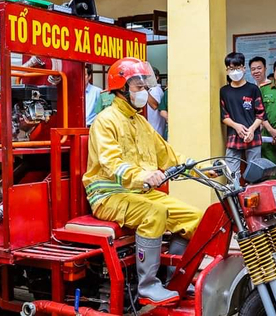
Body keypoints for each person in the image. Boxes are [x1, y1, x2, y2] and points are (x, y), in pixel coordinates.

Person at [84, 57, 202, 305]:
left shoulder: (141, 122)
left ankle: (175, 280)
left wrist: (200, 168)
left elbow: (168, 155)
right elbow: (111, 163)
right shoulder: (105, 121)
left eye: (145, 87)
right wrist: (142, 176)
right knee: (155, 212)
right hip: (109, 196)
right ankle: (147, 286)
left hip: (141, 193)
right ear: (122, 89)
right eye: (139, 87)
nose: (145, 92)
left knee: (196, 218)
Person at [221, 52, 265, 173]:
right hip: (233, 137)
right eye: (231, 69)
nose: (235, 72)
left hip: (253, 136)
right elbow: (223, 115)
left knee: (255, 173)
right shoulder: (224, 91)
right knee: (231, 174)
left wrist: (251, 129)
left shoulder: (253, 89)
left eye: (238, 68)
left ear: (244, 68)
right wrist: (236, 126)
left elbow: (260, 114)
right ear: (227, 71)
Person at [146, 67, 166, 138]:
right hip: (156, 130)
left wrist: (143, 91)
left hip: (154, 130)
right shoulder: (157, 89)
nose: (146, 79)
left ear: (157, 78)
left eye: (149, 77)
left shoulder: (154, 90)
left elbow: (154, 105)